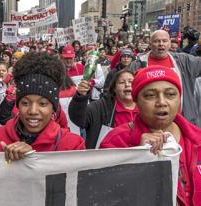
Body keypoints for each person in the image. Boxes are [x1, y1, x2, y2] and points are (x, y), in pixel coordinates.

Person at [100, 65, 201, 206]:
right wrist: (138, 157)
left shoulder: (197, 139)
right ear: (136, 101)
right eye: (150, 96)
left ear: (179, 98)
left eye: (170, 94)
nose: (161, 102)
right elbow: (104, 195)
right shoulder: (115, 141)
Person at [0, 52, 85, 160]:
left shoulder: (73, 146)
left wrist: (34, 160)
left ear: (54, 107)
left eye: (42, 104)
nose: (33, 111)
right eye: (25, 103)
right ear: (18, 104)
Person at [130, 30, 201, 127]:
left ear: (169, 43)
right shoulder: (137, 65)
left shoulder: (184, 61)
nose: (161, 44)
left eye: (164, 41)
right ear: (150, 44)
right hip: (150, 125)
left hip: (183, 123)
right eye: (157, 41)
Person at [69, 69, 138, 149]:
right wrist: (80, 96)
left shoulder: (145, 107)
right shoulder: (100, 107)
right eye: (122, 82)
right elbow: (79, 119)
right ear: (114, 89)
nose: (127, 85)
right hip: (107, 158)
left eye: (131, 82)